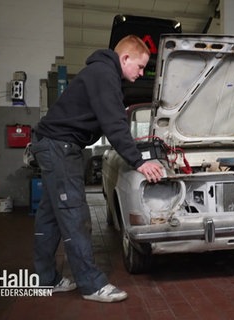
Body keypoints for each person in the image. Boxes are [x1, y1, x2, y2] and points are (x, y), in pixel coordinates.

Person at [31, 35, 164, 302]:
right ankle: (92, 285)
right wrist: (139, 161)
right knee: (75, 215)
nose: (141, 74)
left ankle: (45, 279)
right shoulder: (105, 74)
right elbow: (115, 124)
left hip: (52, 145)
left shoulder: (99, 71)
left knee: (50, 216)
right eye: (139, 67)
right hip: (60, 147)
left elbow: (109, 121)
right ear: (124, 58)